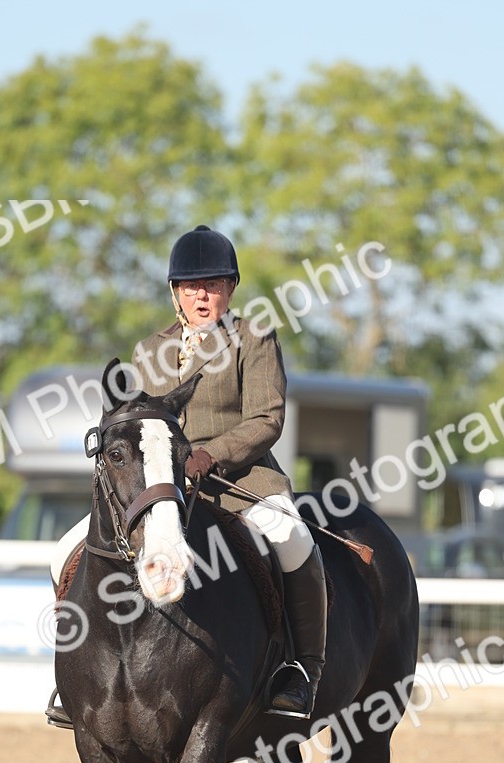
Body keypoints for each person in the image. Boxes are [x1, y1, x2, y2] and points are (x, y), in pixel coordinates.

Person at [50, 224, 327, 720]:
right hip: (164, 485)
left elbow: (268, 418)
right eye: (192, 286)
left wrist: (211, 455)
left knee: (293, 537)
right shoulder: (147, 350)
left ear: (231, 289)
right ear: (176, 292)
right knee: (63, 555)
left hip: (241, 481)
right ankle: (75, 676)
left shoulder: (253, 338)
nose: (203, 295)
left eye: (215, 285)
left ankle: (300, 670)